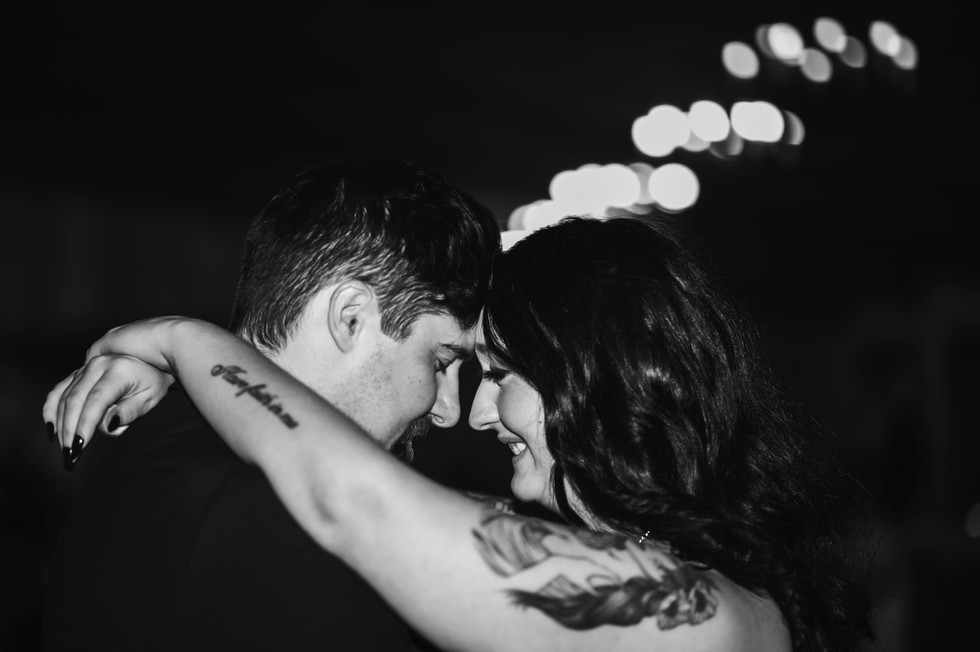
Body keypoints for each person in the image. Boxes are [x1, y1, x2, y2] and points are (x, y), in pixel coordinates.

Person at [47, 215, 876, 651]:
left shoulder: (703, 619)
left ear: (602, 383)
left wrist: (191, 344)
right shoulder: (643, 556)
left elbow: (357, 505)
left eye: (504, 377)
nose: (475, 413)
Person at [39, 157, 501, 651]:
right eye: (440, 360)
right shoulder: (276, 521)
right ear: (350, 319)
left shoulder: (177, 439)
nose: (448, 410)